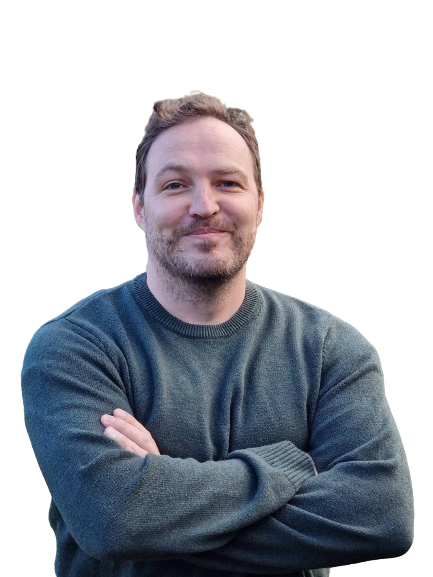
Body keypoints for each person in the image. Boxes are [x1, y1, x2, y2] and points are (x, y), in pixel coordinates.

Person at [21, 90, 414, 577]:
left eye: (227, 182)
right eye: (175, 185)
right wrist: (289, 465)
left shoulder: (332, 350)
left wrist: (157, 503)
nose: (204, 206)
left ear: (261, 202)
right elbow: (112, 520)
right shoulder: (75, 347)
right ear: (139, 207)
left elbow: (381, 516)